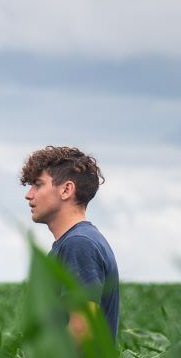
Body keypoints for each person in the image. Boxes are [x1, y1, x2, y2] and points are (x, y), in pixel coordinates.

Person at [21, 145, 119, 342]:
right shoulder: (73, 242)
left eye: (38, 185)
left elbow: (81, 330)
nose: (29, 194)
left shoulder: (79, 244)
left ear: (66, 189)